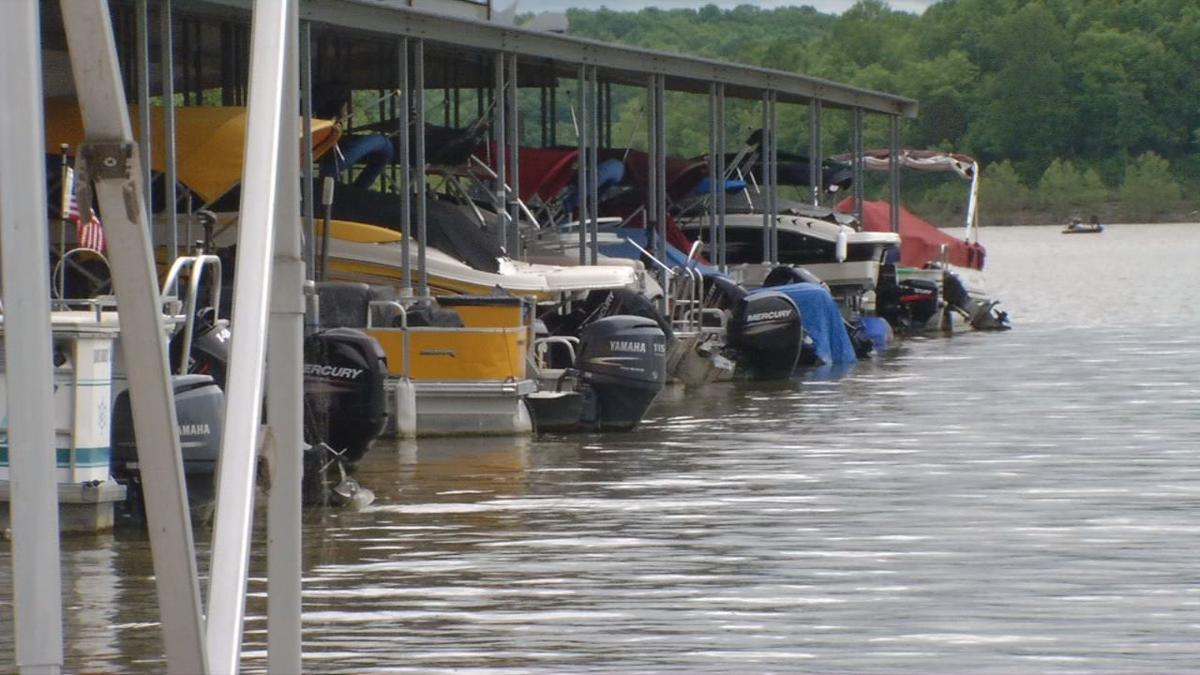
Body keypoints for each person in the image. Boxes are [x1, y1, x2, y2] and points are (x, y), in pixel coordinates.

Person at [313, 81, 394, 190]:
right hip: (331, 165)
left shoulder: (325, 131)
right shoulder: (330, 133)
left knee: (383, 144)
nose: (349, 110)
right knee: (383, 144)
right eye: (347, 106)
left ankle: (358, 188)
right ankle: (358, 189)